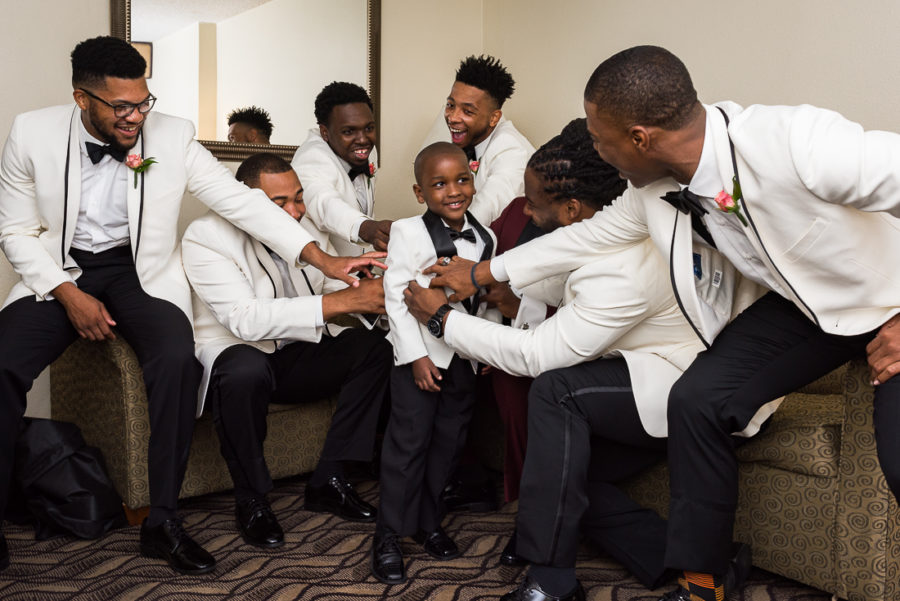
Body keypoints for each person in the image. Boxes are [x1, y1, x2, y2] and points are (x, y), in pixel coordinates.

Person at [428, 45, 900, 601]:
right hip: (802, 313)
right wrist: (484, 271)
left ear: (638, 137)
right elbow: (590, 236)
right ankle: (705, 579)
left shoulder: (793, 143)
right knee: (697, 398)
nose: (597, 152)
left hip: (889, 301)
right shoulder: (653, 190)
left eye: (601, 140)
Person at [0, 36, 383, 576]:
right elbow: (15, 230)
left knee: (178, 361)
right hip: (59, 271)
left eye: (143, 102)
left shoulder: (173, 137)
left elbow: (242, 202)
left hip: (140, 276)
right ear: (82, 99)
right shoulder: (30, 132)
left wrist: (322, 259)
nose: (136, 117)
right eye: (121, 106)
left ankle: (163, 522)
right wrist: (69, 294)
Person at [404, 119, 773, 601]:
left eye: (533, 203)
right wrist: (498, 283)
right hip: (660, 372)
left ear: (572, 208)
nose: (527, 212)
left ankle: (551, 580)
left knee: (557, 391)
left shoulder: (627, 274)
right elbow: (571, 262)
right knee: (561, 475)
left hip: (696, 389)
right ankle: (708, 562)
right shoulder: (629, 214)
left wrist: (441, 321)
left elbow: (535, 354)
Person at [181, 153, 392, 548]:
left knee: (373, 349)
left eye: (298, 198)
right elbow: (245, 319)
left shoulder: (305, 230)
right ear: (243, 200)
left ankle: (331, 477)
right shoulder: (205, 237)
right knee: (245, 370)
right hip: (240, 355)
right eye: (281, 204)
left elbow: (326, 289)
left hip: (294, 355)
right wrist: (341, 304)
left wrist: (365, 289)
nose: (296, 211)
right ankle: (252, 499)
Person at [370, 142, 498, 585]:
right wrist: (417, 357)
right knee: (409, 446)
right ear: (419, 191)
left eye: (462, 179)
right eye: (439, 184)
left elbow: (483, 300)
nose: (454, 190)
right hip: (419, 359)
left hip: (463, 358)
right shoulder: (408, 232)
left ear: (474, 177)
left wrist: (487, 349)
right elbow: (396, 299)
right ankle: (387, 535)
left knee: (448, 444)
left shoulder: (486, 238)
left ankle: (428, 522)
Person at [421, 55, 535, 225]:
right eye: (451, 105)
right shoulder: (468, 137)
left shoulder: (511, 149)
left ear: (494, 118)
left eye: (467, 111)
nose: (452, 118)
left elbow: (484, 212)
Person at [291, 82, 392, 255]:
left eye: (369, 128)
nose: (362, 139)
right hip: (326, 276)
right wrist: (366, 227)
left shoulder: (367, 150)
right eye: (348, 132)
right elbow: (324, 204)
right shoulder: (311, 158)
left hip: (360, 268)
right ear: (325, 132)